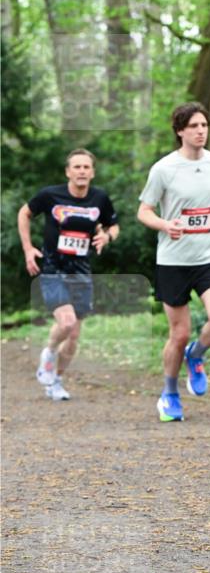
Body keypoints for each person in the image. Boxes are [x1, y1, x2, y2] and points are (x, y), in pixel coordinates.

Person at [138, 102, 210, 422]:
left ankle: (197, 354)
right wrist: (166, 225)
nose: (200, 131)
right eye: (193, 126)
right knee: (178, 335)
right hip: (173, 261)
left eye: (204, 125)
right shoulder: (163, 169)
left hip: (208, 257)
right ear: (180, 131)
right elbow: (144, 211)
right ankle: (169, 393)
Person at [17, 148, 119, 401]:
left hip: (81, 271)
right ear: (68, 172)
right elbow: (24, 213)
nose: (82, 171)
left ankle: (56, 380)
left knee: (73, 337)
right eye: (77, 167)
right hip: (53, 267)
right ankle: (49, 353)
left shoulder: (100, 198)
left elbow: (113, 225)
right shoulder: (51, 195)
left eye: (86, 167)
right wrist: (28, 249)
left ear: (92, 172)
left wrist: (106, 236)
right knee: (66, 322)